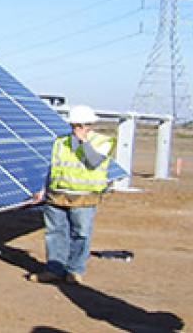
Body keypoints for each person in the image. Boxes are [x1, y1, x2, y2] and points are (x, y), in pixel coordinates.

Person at [30, 104, 115, 284]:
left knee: (81, 234)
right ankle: (54, 270)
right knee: (54, 233)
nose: (78, 128)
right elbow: (54, 168)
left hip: (84, 197)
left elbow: (93, 162)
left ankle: (74, 270)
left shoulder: (102, 142)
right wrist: (43, 189)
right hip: (57, 195)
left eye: (82, 125)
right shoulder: (60, 142)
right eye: (75, 125)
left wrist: (83, 142)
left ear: (89, 125)